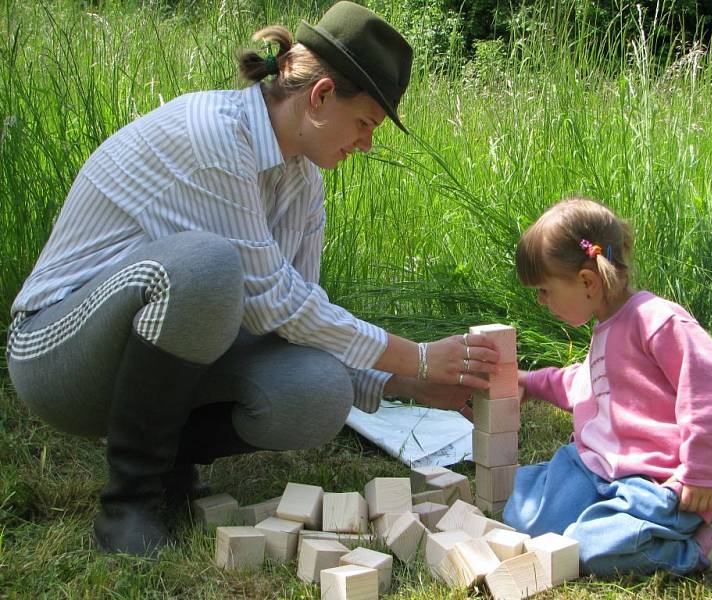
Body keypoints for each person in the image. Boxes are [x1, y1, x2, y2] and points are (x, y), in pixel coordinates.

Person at [5, 1, 499, 557]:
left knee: (320, 390)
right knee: (208, 266)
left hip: (143, 360)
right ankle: (129, 502)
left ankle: (171, 468)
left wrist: (402, 383)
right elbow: (271, 302)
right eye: (365, 123)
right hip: (54, 353)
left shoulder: (302, 180)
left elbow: (299, 322)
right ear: (320, 96)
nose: (366, 144)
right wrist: (418, 357)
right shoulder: (213, 136)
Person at [504, 196, 712, 575]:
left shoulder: (656, 320)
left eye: (545, 290)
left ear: (587, 282)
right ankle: (595, 516)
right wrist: (530, 383)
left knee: (588, 550)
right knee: (522, 514)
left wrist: (701, 472)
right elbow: (585, 384)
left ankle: (697, 548)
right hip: (598, 466)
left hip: (655, 481)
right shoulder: (605, 324)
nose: (541, 301)